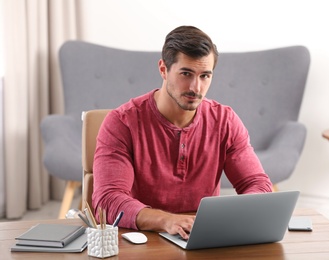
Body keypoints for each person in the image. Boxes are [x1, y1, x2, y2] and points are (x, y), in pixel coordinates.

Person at [92, 25, 272, 239]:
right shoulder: (122, 122)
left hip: (201, 238)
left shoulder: (225, 121)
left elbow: (257, 185)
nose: (196, 87)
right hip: (142, 239)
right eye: (186, 74)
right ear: (163, 69)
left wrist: (231, 218)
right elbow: (107, 200)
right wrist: (167, 220)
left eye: (205, 76)